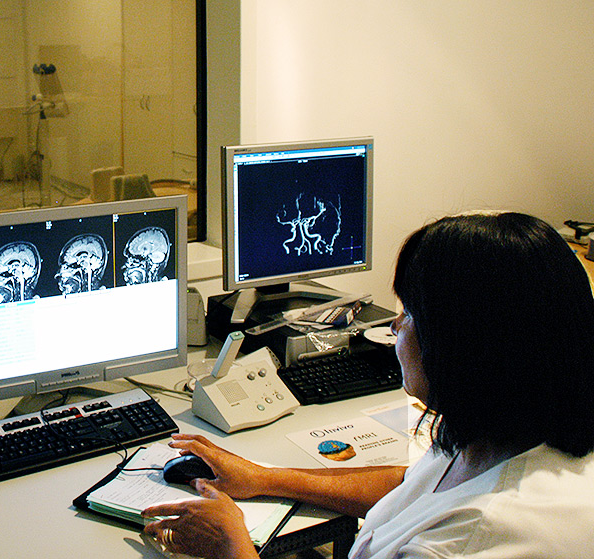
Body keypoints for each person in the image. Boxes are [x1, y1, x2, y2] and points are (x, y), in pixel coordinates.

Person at [142, 212, 594, 559]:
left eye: (411, 312)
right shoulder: (510, 430)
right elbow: (410, 484)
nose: (395, 324)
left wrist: (233, 547)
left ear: (464, 344)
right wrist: (265, 478)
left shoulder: (469, 541)